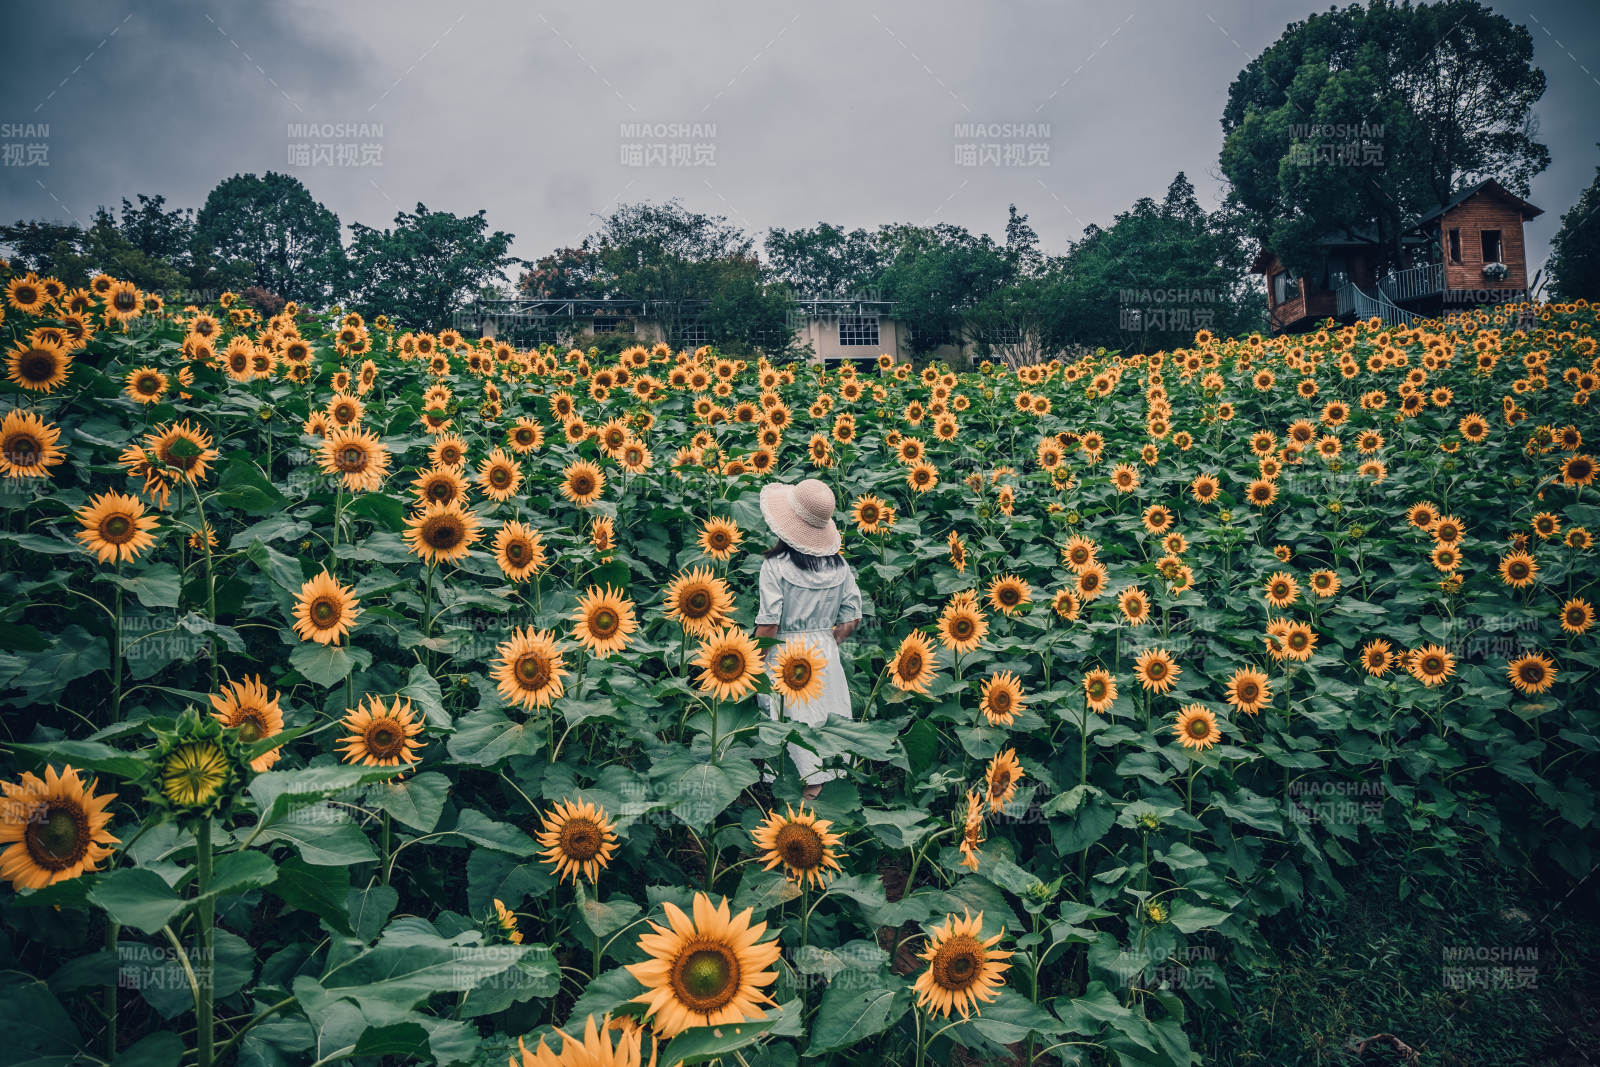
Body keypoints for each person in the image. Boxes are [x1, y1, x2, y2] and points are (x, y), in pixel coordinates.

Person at [754, 478, 863, 798]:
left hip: (786, 657)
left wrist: (751, 664)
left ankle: (798, 827)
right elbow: (852, 617)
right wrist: (826, 642)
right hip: (825, 656)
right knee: (826, 734)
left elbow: (769, 624)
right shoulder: (839, 566)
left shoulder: (774, 566)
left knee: (793, 736)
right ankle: (827, 824)